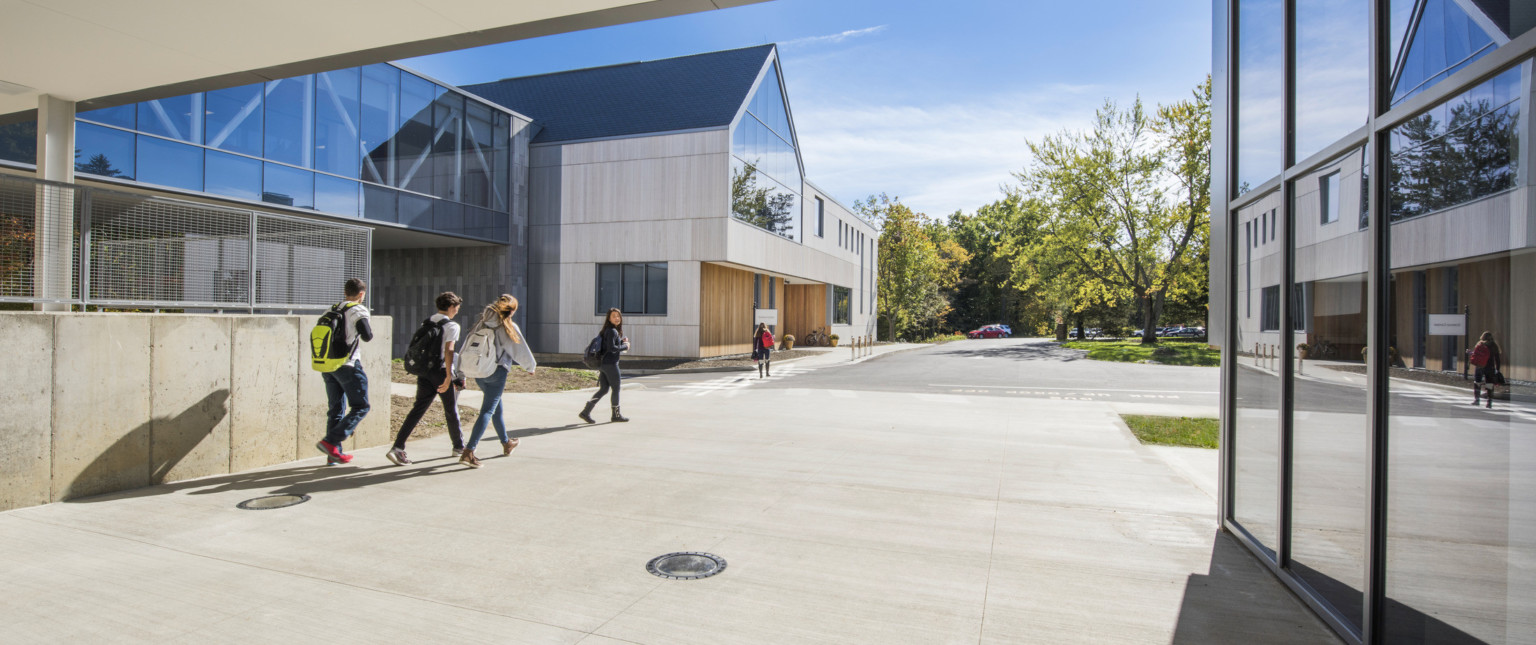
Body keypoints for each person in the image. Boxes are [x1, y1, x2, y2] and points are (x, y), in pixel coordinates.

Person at [387, 292, 467, 465]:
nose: (457, 312)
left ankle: (398, 447)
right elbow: (449, 351)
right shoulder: (452, 326)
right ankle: (459, 447)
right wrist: (448, 377)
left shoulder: (428, 321)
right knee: (451, 409)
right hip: (440, 371)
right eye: (457, 308)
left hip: (424, 371)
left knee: (418, 409)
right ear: (452, 307)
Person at [460, 294, 536, 468]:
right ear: (512, 310)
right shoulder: (507, 326)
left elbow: (466, 345)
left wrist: (461, 370)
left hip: (479, 372)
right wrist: (530, 367)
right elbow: (519, 348)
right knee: (487, 410)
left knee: (496, 407)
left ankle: (506, 443)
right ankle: (469, 451)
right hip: (496, 372)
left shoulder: (481, 323)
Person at [316, 278, 373, 465]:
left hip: (328, 366)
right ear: (361, 294)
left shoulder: (331, 309)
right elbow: (367, 335)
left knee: (335, 410)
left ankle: (332, 456)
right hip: (348, 364)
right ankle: (331, 442)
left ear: (345, 291)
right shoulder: (358, 309)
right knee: (361, 406)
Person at [579, 308, 630, 423]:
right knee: (616, 389)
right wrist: (625, 346)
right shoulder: (612, 331)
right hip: (611, 364)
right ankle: (616, 415)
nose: (617, 318)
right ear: (609, 318)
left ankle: (585, 412)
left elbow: (608, 346)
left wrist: (621, 342)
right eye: (614, 316)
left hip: (603, 364)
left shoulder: (606, 330)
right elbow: (612, 349)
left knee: (603, 389)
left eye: (618, 316)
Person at [1471, 331, 1503, 409]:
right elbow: (1497, 359)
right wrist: (1497, 369)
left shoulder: (1480, 344)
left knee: (1477, 382)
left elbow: (1475, 355)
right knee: (1489, 384)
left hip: (1480, 366)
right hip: (1490, 367)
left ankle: (1477, 400)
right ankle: (1489, 402)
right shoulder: (1494, 346)